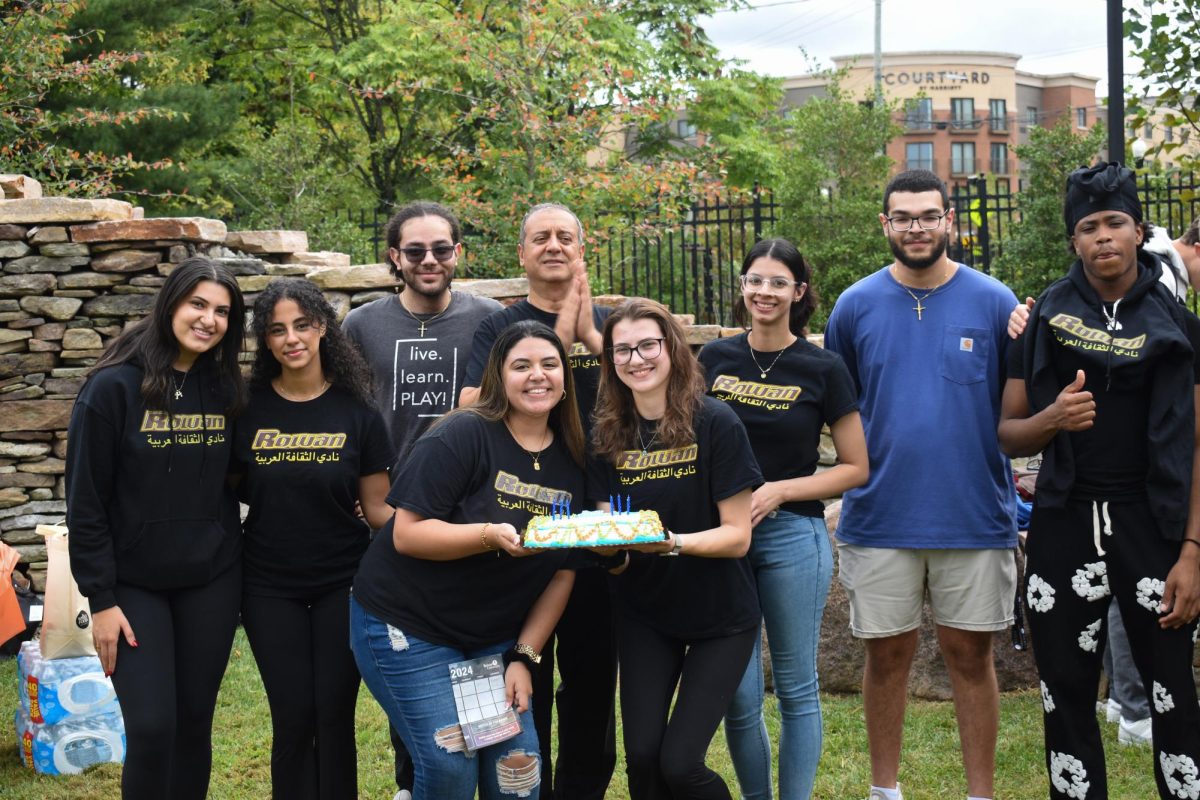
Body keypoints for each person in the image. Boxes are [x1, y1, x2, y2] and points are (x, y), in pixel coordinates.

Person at [997, 161, 1200, 800]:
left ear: (1140, 231)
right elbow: (1006, 433)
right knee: (1066, 693)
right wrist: (1053, 418)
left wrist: (1193, 552)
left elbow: (1199, 447)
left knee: (1174, 693)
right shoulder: (1042, 321)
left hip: (1154, 526)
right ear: (1073, 241)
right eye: (1089, 227)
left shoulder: (1182, 327)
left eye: (1116, 223)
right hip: (1065, 521)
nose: (1104, 236)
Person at [824, 169, 1019, 800]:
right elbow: (839, 409)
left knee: (972, 659)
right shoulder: (854, 305)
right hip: (880, 516)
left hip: (972, 514)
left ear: (949, 221)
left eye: (928, 215)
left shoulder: (994, 301)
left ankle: (979, 794)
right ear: (886, 224)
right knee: (886, 661)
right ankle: (885, 790)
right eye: (903, 217)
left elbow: (1017, 409)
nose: (916, 227)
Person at [350, 320, 587, 800]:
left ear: (566, 379)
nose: (537, 375)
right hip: (409, 626)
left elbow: (562, 570)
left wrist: (523, 655)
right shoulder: (463, 433)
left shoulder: (576, 457)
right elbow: (407, 535)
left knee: (515, 773)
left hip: (488, 640)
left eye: (549, 364)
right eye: (521, 365)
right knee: (450, 765)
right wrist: (487, 535)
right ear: (499, 376)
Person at [64, 256, 246, 799]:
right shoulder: (112, 389)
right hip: (133, 586)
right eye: (198, 304)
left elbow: (248, 476)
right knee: (151, 727)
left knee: (193, 724)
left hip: (210, 579)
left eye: (221, 311)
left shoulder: (226, 388)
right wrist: (100, 598)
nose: (208, 320)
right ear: (171, 303)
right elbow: (86, 502)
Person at [343, 200, 502, 800]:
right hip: (392, 512)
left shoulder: (489, 320)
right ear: (395, 258)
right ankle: (416, 782)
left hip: (471, 509)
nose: (429, 260)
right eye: (415, 251)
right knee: (412, 657)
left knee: (475, 643)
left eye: (441, 249)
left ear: (458, 253)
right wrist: (362, 492)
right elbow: (350, 417)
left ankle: (481, 772)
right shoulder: (361, 325)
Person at [702, 239, 869, 800]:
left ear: (799, 292)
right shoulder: (713, 360)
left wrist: (778, 491)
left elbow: (855, 467)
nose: (764, 292)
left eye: (778, 282)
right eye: (755, 280)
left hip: (793, 536)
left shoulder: (822, 367)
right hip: (725, 540)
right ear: (742, 286)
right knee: (740, 695)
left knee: (798, 688)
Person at [461, 202, 617, 799]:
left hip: (595, 521)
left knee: (591, 681)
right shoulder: (499, 327)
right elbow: (472, 402)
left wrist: (587, 336)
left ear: (582, 250)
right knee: (514, 670)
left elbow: (646, 395)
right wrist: (551, 344)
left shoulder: (611, 327)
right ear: (522, 254)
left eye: (565, 237)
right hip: (515, 523)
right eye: (540, 237)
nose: (553, 245)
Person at [589, 297, 762, 800]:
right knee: (643, 759)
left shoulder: (715, 422)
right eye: (622, 350)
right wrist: (606, 549)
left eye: (647, 345)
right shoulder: (607, 434)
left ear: (672, 350)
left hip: (720, 617)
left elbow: (737, 536)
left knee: (680, 764)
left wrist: (671, 543)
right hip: (645, 613)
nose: (636, 359)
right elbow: (610, 530)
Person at [234, 278, 394, 799]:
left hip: (342, 583)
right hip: (267, 584)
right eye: (276, 330)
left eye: (302, 325)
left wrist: (438, 541)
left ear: (323, 326)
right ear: (265, 341)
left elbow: (377, 509)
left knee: (332, 715)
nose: (291, 339)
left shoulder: (358, 411)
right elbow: (222, 491)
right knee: (293, 715)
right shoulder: (245, 408)